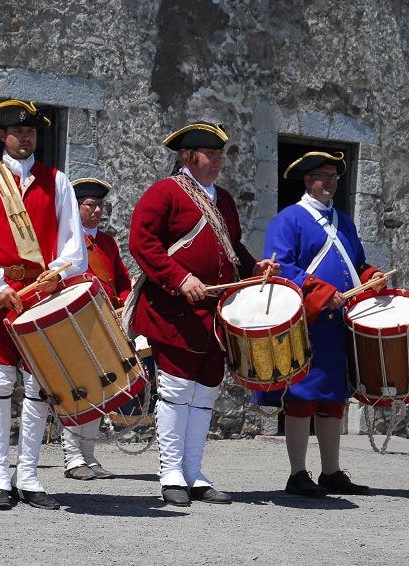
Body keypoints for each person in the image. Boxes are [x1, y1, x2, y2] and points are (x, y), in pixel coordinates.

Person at [128, 122, 279, 507]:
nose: (217, 161)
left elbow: (231, 248)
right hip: (174, 310)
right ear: (187, 157)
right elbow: (142, 243)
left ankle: (194, 471)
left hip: (215, 311)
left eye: (220, 154)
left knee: (206, 393)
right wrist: (179, 279)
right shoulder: (165, 193)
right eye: (209, 154)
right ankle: (170, 473)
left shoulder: (224, 200)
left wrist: (253, 267)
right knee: (177, 392)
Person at [0, 99, 86, 510]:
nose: (25, 137)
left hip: (41, 299)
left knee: (37, 387)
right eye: (16, 131)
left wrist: (60, 273)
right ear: (2, 136)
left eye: (30, 131)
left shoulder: (58, 181)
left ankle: (29, 475)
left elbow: (73, 240)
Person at [260, 150, 386, 497]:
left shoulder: (344, 222)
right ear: (307, 180)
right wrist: (320, 292)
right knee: (301, 396)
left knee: (333, 397)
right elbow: (280, 266)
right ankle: (298, 474)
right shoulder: (289, 220)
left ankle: (331, 472)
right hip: (307, 321)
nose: (329, 182)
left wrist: (372, 277)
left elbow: (358, 265)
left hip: (338, 324)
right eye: (322, 176)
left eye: (334, 176)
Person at [60, 178, 132, 481]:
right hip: (77, 324)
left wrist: (126, 306)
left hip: (107, 323)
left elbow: (123, 283)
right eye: (90, 204)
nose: (97, 210)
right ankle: (72, 457)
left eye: (100, 205)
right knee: (76, 390)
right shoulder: (65, 241)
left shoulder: (107, 243)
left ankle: (88, 455)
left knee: (101, 390)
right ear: (76, 208)